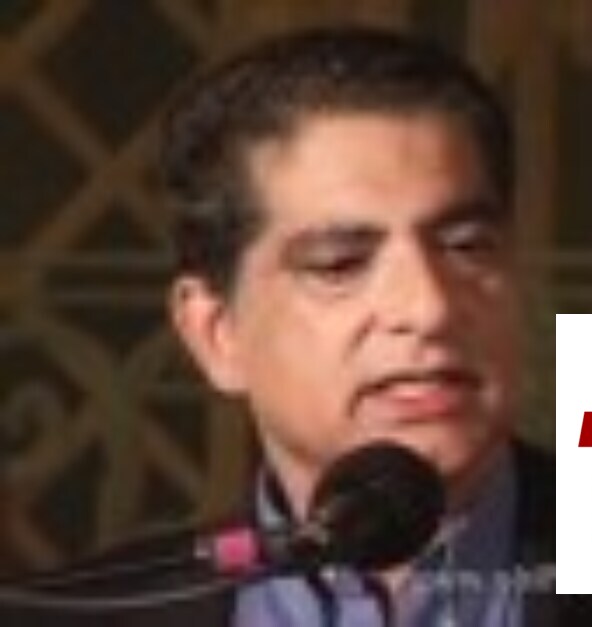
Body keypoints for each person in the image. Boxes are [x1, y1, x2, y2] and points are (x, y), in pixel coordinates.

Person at [0, 25, 555, 627]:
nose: (429, 308)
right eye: (340, 265)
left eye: (468, 247)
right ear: (217, 334)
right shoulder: (78, 614)